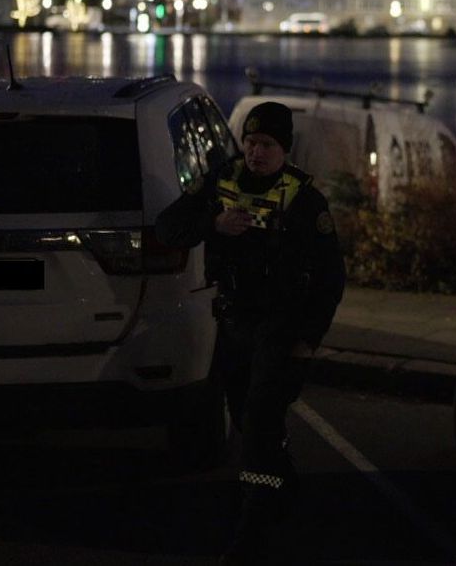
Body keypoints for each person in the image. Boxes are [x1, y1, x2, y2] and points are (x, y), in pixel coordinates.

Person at [156, 101, 345, 564]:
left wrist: (310, 338)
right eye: (251, 142)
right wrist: (213, 224)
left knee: (258, 425)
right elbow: (169, 227)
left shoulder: (303, 201)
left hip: (281, 329)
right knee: (245, 417)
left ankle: (253, 525)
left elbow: (330, 277)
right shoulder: (222, 182)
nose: (256, 152)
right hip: (235, 322)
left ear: (285, 149)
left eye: (267, 145)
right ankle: (281, 483)